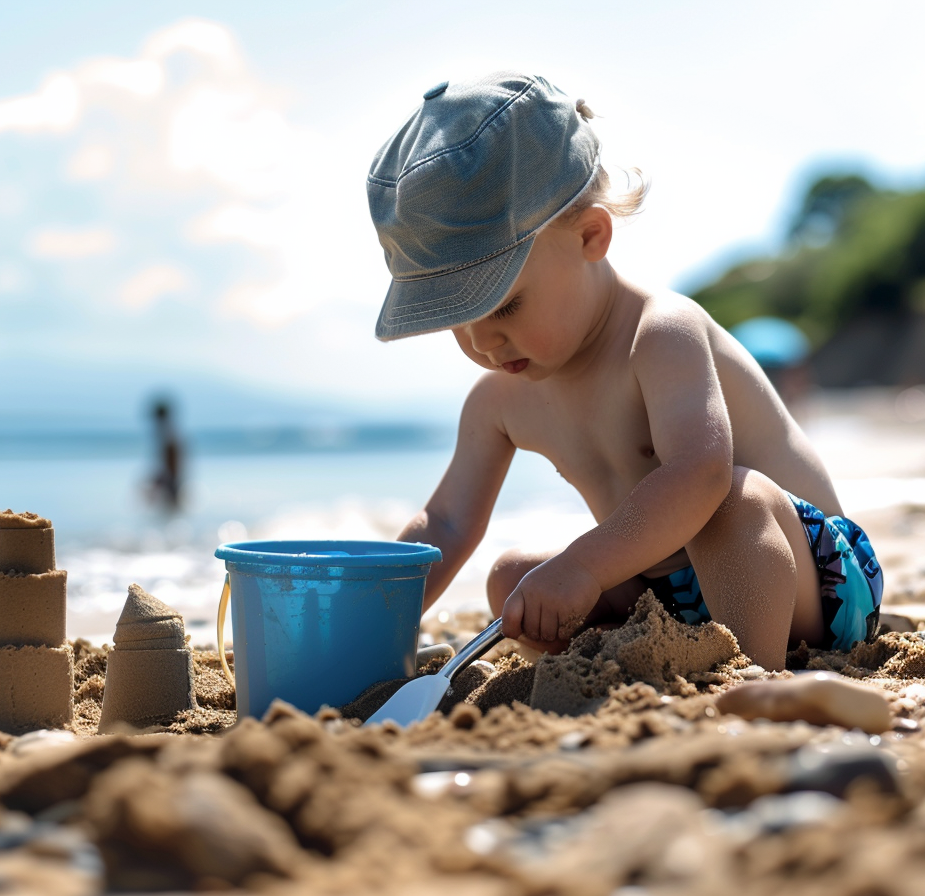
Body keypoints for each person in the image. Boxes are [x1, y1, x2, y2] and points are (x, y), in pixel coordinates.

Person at [367, 73, 882, 670]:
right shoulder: (498, 401)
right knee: (515, 579)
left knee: (729, 502)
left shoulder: (659, 333)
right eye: (457, 319)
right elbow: (448, 522)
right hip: (668, 591)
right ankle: (647, 653)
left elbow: (701, 474)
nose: (482, 342)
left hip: (811, 575)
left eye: (504, 306)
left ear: (591, 235)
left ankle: (749, 676)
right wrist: (368, 616)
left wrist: (584, 566)